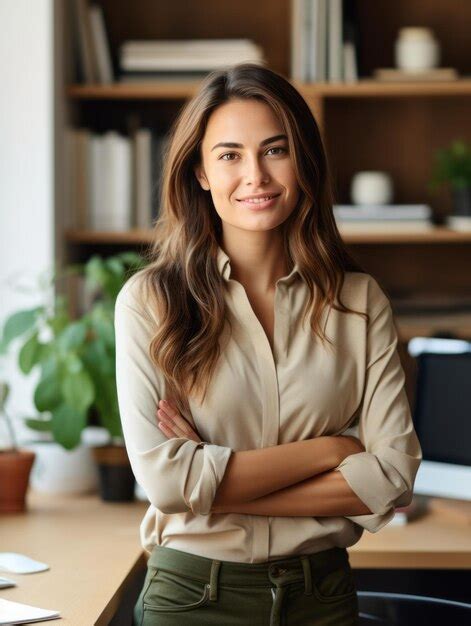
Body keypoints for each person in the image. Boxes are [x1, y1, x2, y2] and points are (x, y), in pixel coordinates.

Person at [114, 62, 422, 626]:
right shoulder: (150, 302)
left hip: (322, 598)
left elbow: (394, 475)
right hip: (192, 599)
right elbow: (164, 480)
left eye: (275, 150)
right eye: (229, 155)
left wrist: (209, 484)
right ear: (201, 172)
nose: (255, 174)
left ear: (303, 160)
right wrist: (333, 452)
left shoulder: (358, 301)